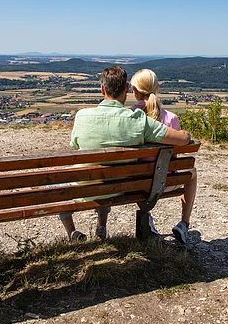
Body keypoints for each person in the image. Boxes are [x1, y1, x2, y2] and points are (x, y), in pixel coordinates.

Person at [59, 66, 193, 243]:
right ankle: (101, 227)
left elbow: (74, 145)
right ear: (126, 89)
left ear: (102, 89)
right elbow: (182, 138)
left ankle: (73, 233)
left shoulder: (82, 116)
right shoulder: (137, 120)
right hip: (122, 189)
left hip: (87, 187)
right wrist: (187, 135)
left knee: (57, 185)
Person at [130, 69, 197, 243]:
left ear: (134, 91)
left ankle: (147, 217)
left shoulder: (129, 118)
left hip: (136, 186)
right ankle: (184, 224)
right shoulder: (172, 118)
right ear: (157, 88)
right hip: (167, 183)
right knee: (192, 172)